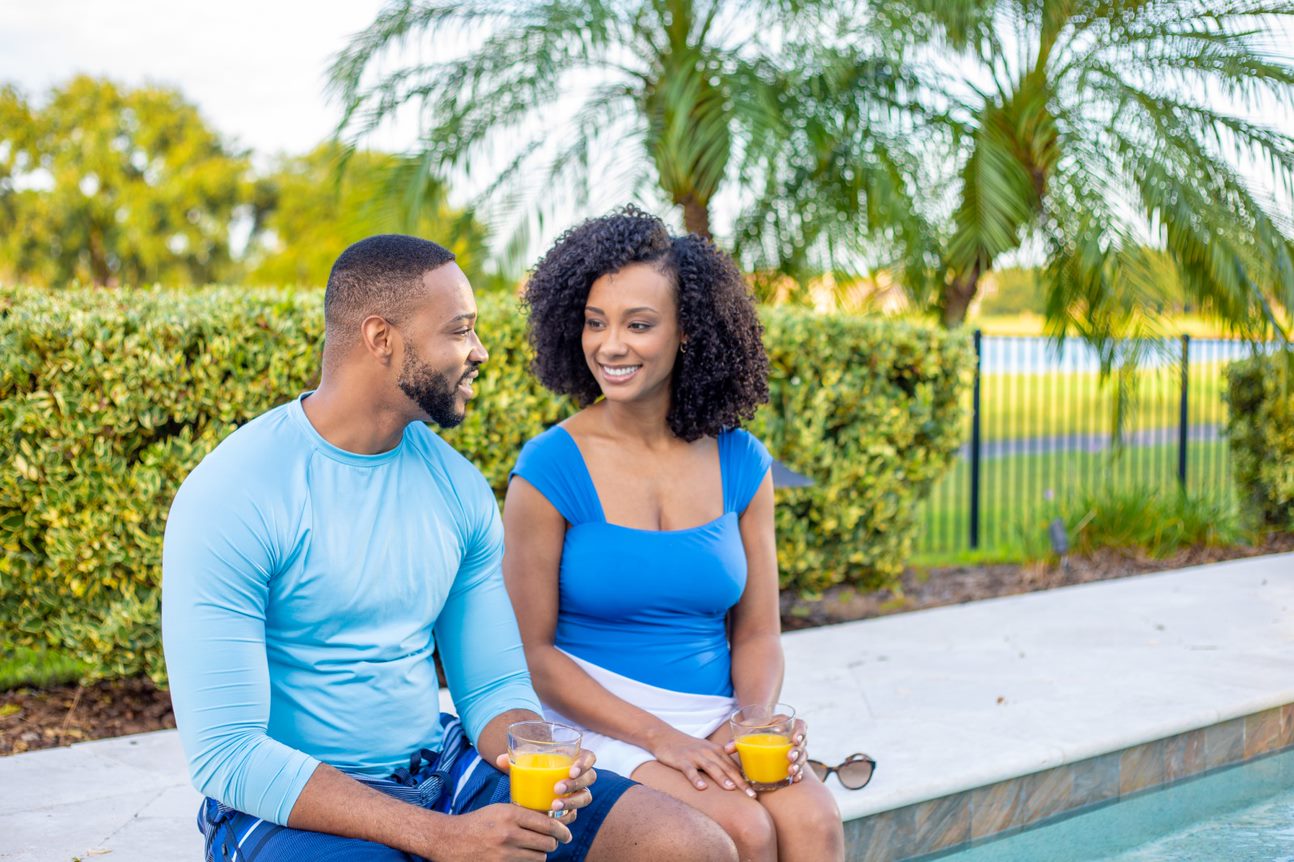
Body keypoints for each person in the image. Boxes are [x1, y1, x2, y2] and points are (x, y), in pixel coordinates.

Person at [162, 234, 737, 862]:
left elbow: (492, 688)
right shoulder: (235, 493)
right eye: (460, 330)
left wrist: (539, 755)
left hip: (438, 772)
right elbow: (229, 755)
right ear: (382, 339)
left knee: (689, 845)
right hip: (288, 803)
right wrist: (440, 838)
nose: (480, 352)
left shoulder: (456, 488)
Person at [503, 208, 846, 862]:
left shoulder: (742, 462)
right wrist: (662, 738)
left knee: (814, 820)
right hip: (600, 720)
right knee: (743, 829)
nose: (610, 345)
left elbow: (757, 632)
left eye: (638, 324)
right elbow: (535, 655)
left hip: (716, 716)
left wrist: (751, 720)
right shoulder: (549, 468)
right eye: (594, 322)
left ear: (688, 331)